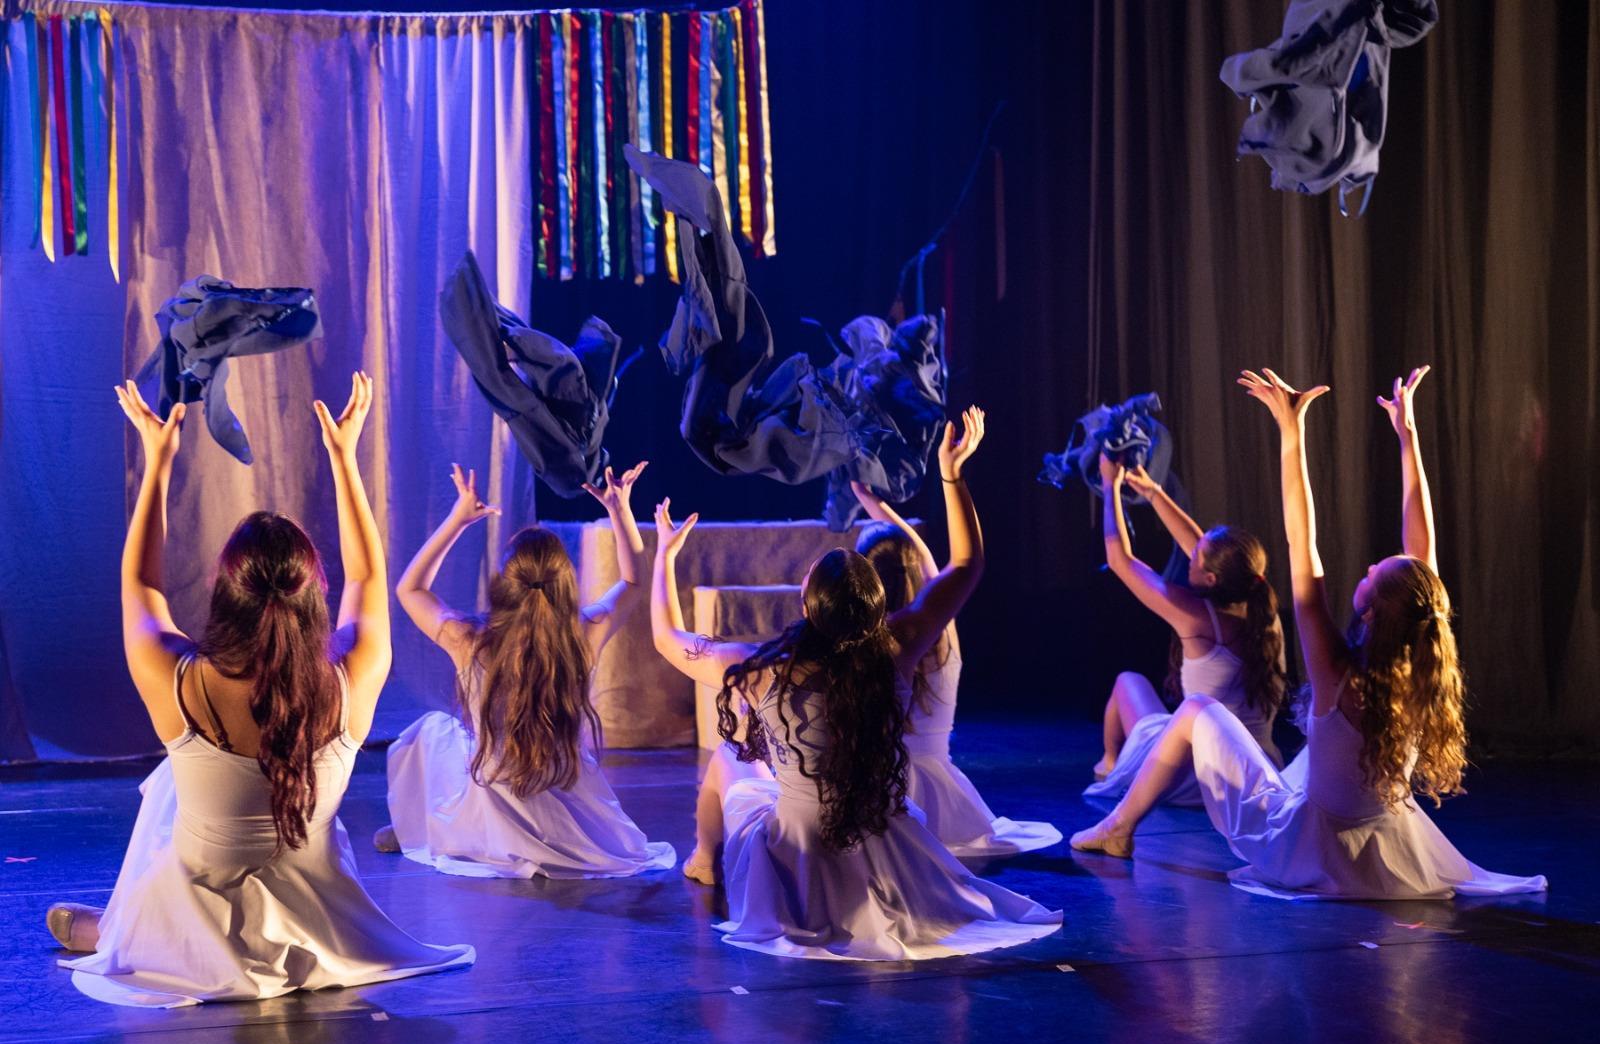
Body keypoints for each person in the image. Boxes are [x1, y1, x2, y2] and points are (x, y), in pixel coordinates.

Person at [49, 373, 473, 1007]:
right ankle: (131, 927)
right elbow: (367, 576)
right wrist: (344, 457)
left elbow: (141, 584)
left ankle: (122, 930)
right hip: (316, 902)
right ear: (314, 594)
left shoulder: (178, 678)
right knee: (182, 785)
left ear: (224, 593)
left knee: (172, 785)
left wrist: (158, 458)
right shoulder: (354, 674)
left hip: (203, 901)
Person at [1071, 367, 1548, 901]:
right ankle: (1120, 820)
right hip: (1376, 830)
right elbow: (1421, 547)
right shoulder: (1421, 654)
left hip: (1307, 846)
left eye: (1373, 574)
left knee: (1196, 710)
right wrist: (1407, 436)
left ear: (1371, 612)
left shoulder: (1335, 672)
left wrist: (1291, 433)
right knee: (1306, 761)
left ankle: (1118, 827)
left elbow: (1303, 542)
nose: (1370, 565)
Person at [653, 407, 1061, 960]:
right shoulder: (898, 647)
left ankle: (704, 859)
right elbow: (967, 564)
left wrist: (665, 556)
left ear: (807, 606)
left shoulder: (761, 669)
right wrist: (952, 476)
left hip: (797, 850)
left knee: (730, 758)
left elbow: (667, 638)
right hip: (885, 838)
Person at [376, 462, 674, 879]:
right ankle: (429, 828)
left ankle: (422, 827)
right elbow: (633, 583)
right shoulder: (583, 636)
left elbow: (410, 589)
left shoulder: (470, 640)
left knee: (429, 733)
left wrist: (458, 520)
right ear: (565, 582)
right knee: (448, 737)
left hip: (491, 796)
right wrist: (619, 510)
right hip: (562, 784)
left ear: (504, 585)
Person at [848, 480, 1061, 857]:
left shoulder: (863, 642)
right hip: (943, 797)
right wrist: (947, 478)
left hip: (882, 789)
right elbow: (940, 561)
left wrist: (870, 502)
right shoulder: (939, 629)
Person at [1086, 454, 1287, 806]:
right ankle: (1113, 765)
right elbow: (1198, 544)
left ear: (1210, 578)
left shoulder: (1196, 618)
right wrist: (1153, 492)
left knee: (1127, 683)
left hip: (1195, 775)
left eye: (1196, 557)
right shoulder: (1264, 610)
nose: (1189, 554)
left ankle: (1110, 765)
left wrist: (1109, 486)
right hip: (1255, 770)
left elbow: (1120, 561)